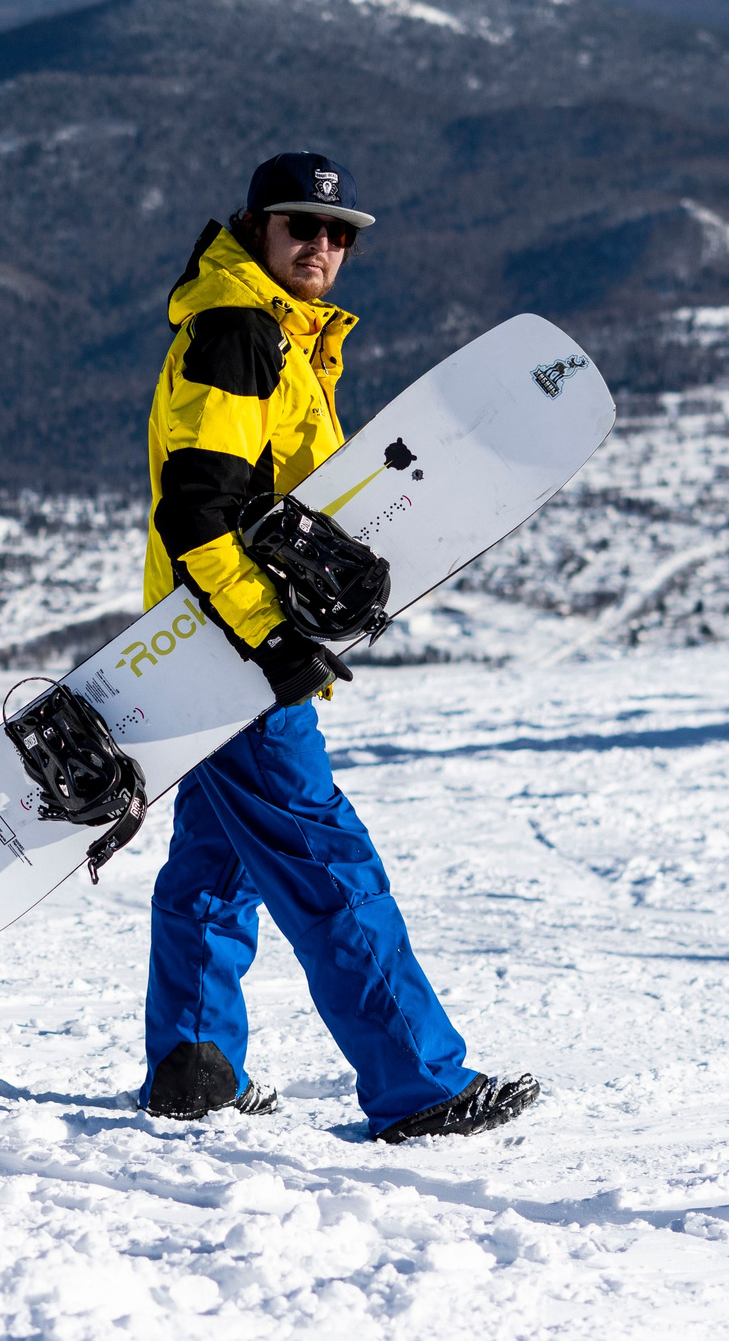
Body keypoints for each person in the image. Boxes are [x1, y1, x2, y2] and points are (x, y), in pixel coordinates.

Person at [138, 150, 541, 1144]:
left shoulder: (278, 331)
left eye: (338, 233)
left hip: (216, 652)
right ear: (256, 229)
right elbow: (197, 511)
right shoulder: (239, 333)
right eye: (300, 226)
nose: (321, 245)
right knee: (328, 864)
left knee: (214, 869)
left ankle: (193, 1066)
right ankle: (418, 1085)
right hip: (240, 655)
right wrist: (271, 639)